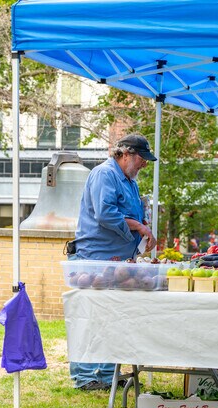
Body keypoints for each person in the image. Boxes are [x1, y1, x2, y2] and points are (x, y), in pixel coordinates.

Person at [69, 133, 158, 390]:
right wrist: (138, 227)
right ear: (126, 153)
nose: (144, 164)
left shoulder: (130, 181)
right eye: (142, 158)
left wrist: (144, 229)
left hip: (118, 260)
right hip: (95, 259)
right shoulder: (103, 174)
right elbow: (105, 213)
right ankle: (85, 377)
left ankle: (108, 375)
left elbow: (133, 216)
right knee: (90, 318)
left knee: (112, 317)